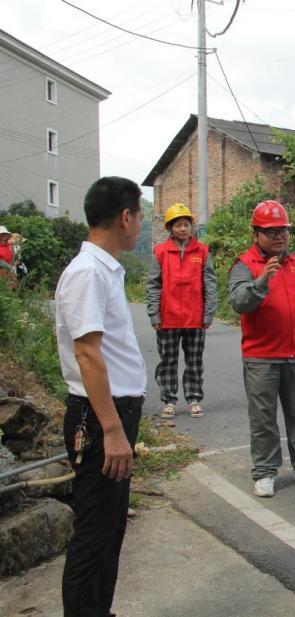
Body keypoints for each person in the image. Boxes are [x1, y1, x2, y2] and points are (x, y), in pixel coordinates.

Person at [54, 176, 147, 617]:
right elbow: (87, 354)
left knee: (109, 531)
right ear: (126, 217)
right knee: (93, 534)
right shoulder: (87, 272)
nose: (141, 224)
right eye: (140, 214)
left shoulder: (104, 269)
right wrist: (111, 430)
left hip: (111, 414)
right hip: (98, 418)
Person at [229, 200, 295, 498]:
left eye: (283, 230)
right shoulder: (245, 265)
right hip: (261, 357)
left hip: (294, 355)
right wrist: (261, 281)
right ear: (256, 233)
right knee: (263, 419)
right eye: (271, 231)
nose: (279, 236)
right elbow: (239, 302)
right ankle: (265, 472)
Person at [146, 203, 217, 419]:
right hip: (167, 318)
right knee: (168, 360)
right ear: (170, 228)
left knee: (194, 361)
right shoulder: (160, 252)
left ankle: (194, 399)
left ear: (191, 227)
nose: (183, 229)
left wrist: (208, 313)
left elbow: (210, 284)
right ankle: (169, 400)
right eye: (178, 225)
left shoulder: (202, 252)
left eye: (186, 224)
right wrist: (154, 314)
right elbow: (153, 285)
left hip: (195, 318)